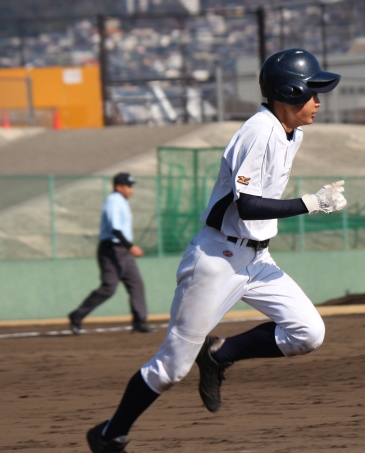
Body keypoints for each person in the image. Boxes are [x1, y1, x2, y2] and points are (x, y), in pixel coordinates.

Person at [85, 49, 346, 453]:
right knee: (172, 368)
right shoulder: (258, 131)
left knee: (307, 332)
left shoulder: (291, 133)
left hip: (256, 258)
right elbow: (249, 205)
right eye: (311, 91)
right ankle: (109, 435)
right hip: (217, 260)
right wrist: (310, 203)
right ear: (289, 93)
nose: (318, 100)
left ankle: (221, 354)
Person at [69, 172, 156, 335]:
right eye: (128, 186)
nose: (131, 189)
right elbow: (115, 229)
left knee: (136, 284)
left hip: (123, 250)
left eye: (131, 186)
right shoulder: (113, 201)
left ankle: (140, 321)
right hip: (111, 250)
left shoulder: (121, 201)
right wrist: (131, 246)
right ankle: (77, 315)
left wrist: (127, 247)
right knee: (109, 287)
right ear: (118, 186)